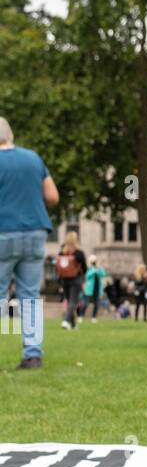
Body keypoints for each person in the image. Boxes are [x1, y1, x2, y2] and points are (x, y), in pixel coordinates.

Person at [0, 116, 58, 369]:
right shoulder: (33, 158)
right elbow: (52, 196)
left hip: (3, 231)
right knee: (30, 296)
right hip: (35, 231)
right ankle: (33, 354)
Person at [56, 230, 86, 330]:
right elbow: (84, 267)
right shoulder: (78, 253)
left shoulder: (62, 252)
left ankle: (73, 325)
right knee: (73, 302)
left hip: (64, 280)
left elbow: (58, 267)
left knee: (70, 302)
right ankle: (66, 320)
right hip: (75, 279)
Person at [82, 256, 107, 321]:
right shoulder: (88, 268)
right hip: (89, 288)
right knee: (85, 303)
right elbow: (87, 276)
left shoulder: (99, 268)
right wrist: (93, 270)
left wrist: (98, 268)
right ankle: (81, 316)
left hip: (97, 288)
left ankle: (94, 317)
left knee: (97, 303)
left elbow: (103, 274)